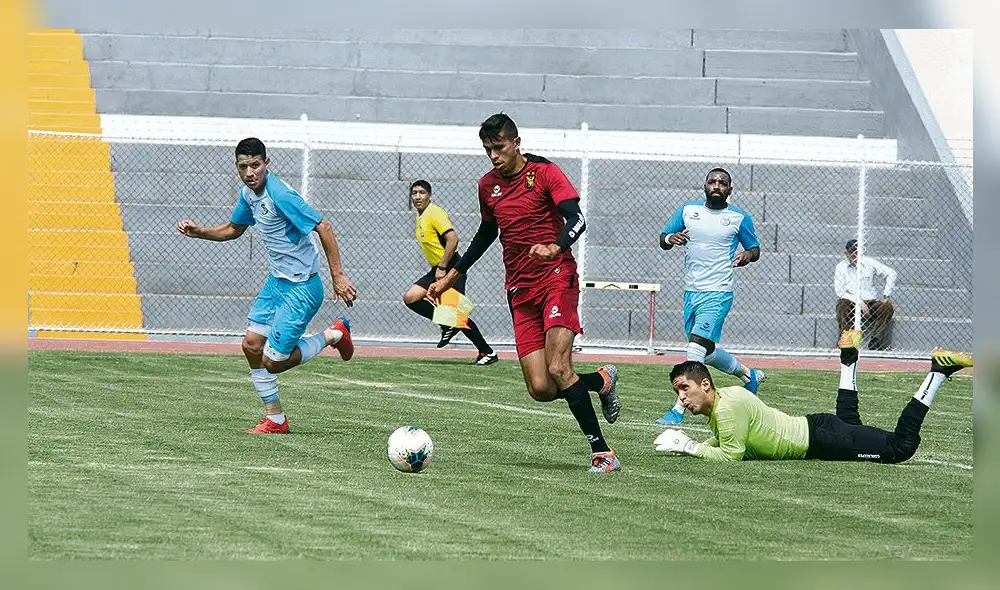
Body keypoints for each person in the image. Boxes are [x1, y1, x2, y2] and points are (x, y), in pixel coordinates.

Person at [427, 112, 622, 473]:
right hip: (519, 289)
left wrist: (556, 246)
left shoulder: (545, 173)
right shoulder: (487, 185)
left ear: (517, 143)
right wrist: (450, 276)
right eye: (487, 150)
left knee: (560, 367)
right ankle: (601, 380)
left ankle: (602, 452)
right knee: (541, 388)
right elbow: (486, 234)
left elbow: (577, 219)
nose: (493, 156)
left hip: (556, 278)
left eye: (499, 148)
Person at [177, 137, 358, 434]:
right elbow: (234, 229)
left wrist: (338, 276)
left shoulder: (280, 194)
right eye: (243, 166)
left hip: (302, 288)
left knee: (274, 362)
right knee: (250, 346)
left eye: (255, 165)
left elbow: (323, 227)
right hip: (276, 284)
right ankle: (275, 419)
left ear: (267, 163)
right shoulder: (249, 194)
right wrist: (200, 232)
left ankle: (334, 334)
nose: (250, 173)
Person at [653, 329, 972, 462]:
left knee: (899, 448)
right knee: (850, 423)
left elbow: (731, 455)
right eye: (678, 391)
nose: (681, 398)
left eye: (685, 388)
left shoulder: (726, 409)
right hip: (821, 429)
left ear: (705, 384)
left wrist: (690, 446)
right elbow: (725, 441)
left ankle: (938, 372)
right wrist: (691, 446)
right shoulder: (727, 398)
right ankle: (848, 359)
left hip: (821, 439)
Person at [655, 167, 766, 425]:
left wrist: (746, 256)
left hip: (718, 292)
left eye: (722, 183)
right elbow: (663, 238)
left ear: (730, 189)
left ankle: (678, 410)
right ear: (705, 186)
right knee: (706, 350)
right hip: (691, 292)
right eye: (712, 181)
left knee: (694, 348)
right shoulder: (687, 211)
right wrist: (672, 237)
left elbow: (755, 249)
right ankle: (750, 376)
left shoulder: (739, 218)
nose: (717, 186)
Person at [402, 180, 498, 365]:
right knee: (411, 297)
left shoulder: (434, 213)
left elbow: (453, 240)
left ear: (430, 196)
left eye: (422, 192)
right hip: (436, 269)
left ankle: (487, 352)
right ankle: (446, 323)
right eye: (414, 193)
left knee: (457, 315)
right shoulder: (421, 216)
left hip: (451, 267)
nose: (417, 196)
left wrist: (443, 268)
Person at [834, 238, 898, 350]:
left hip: (870, 302)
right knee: (841, 304)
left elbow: (891, 273)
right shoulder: (841, 267)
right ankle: (847, 338)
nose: (854, 254)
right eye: (851, 251)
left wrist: (886, 295)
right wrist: (859, 302)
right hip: (850, 301)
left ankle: (875, 341)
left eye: (857, 251)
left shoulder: (869, 262)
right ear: (846, 253)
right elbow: (840, 291)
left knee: (887, 307)